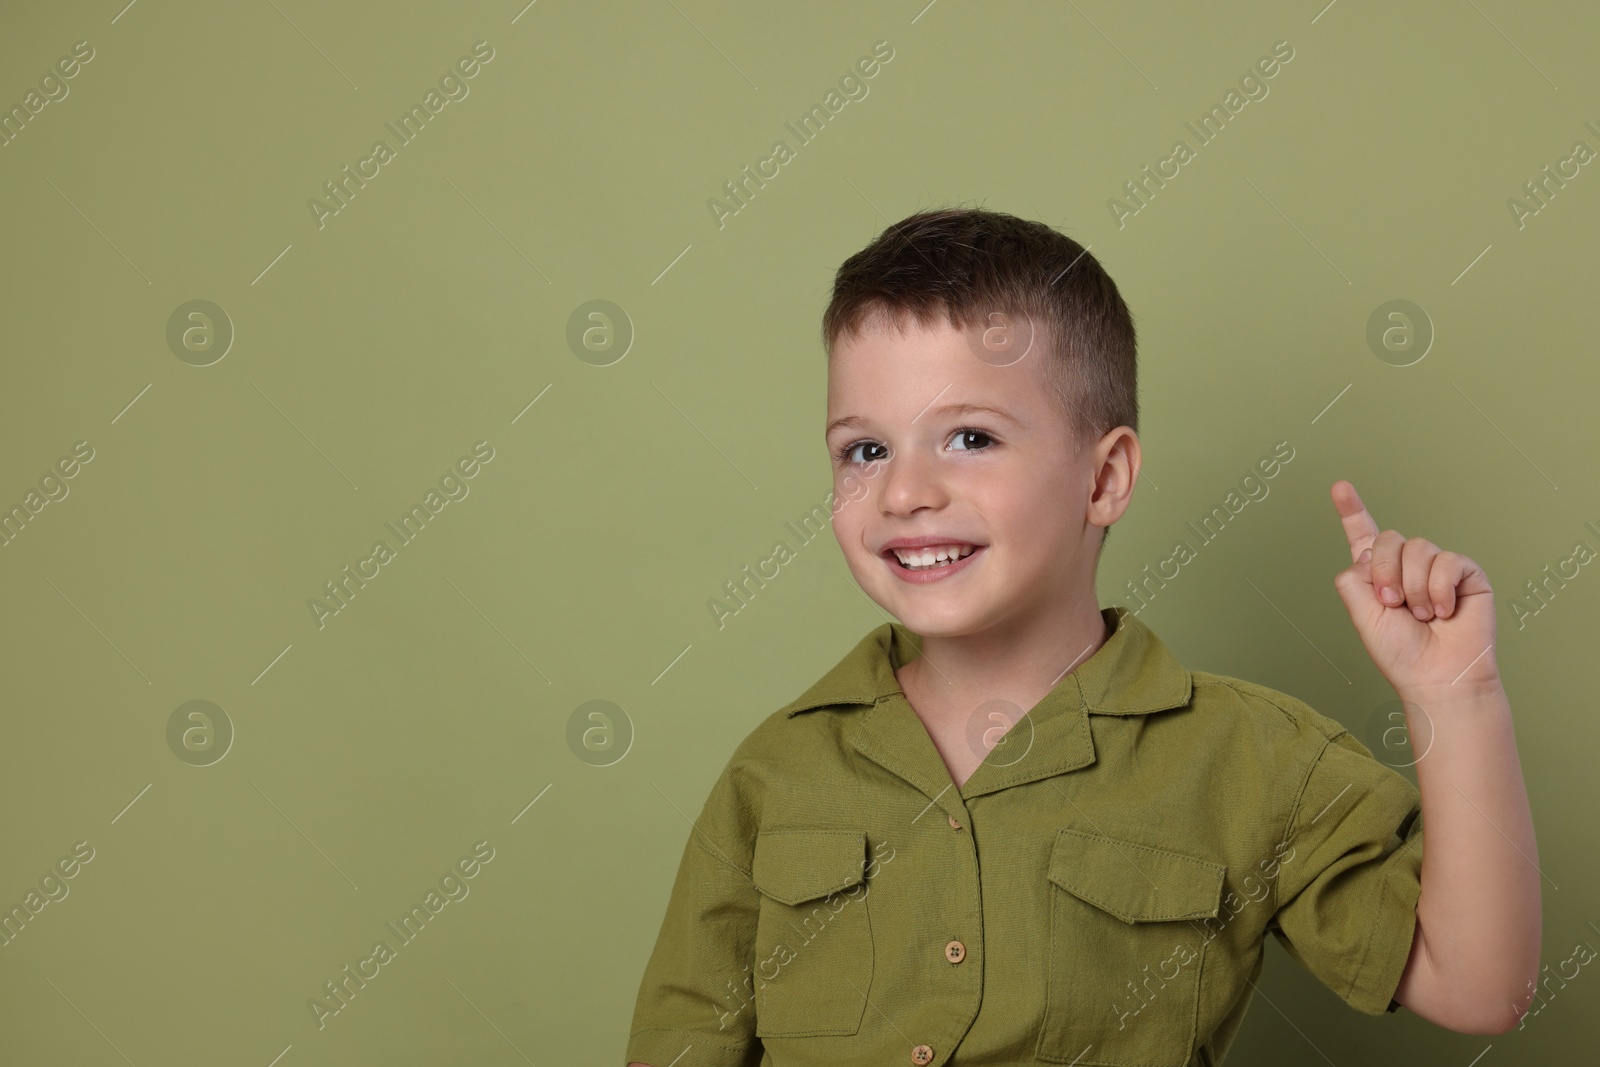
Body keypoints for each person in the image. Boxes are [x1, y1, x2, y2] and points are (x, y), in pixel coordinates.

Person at [624, 207, 1540, 1067]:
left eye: (970, 438)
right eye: (865, 450)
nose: (904, 493)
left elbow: (1479, 988)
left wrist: (1456, 698)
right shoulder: (775, 773)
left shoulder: (1252, 759)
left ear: (1104, 479)